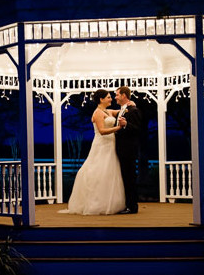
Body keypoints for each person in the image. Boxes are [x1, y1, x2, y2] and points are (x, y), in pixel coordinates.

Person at [59, 89, 128, 215]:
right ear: (101, 99)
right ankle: (97, 202)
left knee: (110, 172)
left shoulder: (108, 111)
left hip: (111, 145)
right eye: (108, 97)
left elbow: (121, 111)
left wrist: (129, 105)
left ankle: (112, 201)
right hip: (102, 145)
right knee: (99, 171)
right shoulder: (97, 113)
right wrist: (118, 127)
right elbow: (101, 131)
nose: (111, 99)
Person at [114, 86, 142, 214]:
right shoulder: (123, 110)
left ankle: (132, 206)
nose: (115, 97)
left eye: (117, 95)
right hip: (122, 150)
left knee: (130, 178)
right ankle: (128, 204)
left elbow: (138, 129)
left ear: (124, 95)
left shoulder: (133, 110)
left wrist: (126, 125)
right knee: (125, 178)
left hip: (128, 150)